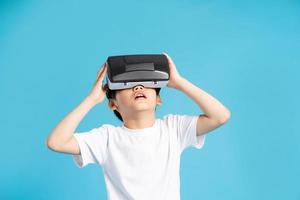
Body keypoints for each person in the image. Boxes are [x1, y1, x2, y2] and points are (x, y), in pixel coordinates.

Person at [46, 52, 231, 200]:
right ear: (113, 104)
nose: (138, 87)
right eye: (129, 84)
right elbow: (56, 142)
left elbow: (220, 116)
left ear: (158, 99)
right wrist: (91, 100)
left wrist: (179, 83)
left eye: (145, 83)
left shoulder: (173, 129)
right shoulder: (106, 138)